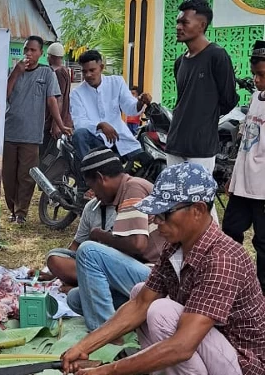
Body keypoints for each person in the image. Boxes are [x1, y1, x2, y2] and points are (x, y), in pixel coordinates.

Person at [61, 162, 265, 375]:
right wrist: (83, 346)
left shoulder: (223, 259)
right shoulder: (175, 246)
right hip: (212, 349)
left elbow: (182, 346)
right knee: (140, 292)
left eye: (164, 213)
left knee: (162, 312)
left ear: (198, 210)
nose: (157, 221)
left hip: (241, 364)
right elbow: (140, 304)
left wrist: (110, 371)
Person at [60, 147, 163, 331]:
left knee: (89, 250)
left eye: (93, 187)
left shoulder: (133, 188)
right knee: (76, 298)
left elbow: (138, 244)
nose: (94, 194)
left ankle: (105, 334)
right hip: (145, 276)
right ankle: (128, 321)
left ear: (101, 178)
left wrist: (102, 236)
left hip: (159, 277)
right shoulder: (126, 190)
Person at [3, 35, 70, 225]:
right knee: (8, 177)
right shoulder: (13, 71)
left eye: (33, 50)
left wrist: (59, 123)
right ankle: (12, 210)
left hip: (32, 135)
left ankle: (21, 213)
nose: (28, 53)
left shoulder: (47, 73)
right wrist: (15, 73)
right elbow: (3, 97)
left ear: (41, 53)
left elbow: (52, 100)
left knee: (26, 175)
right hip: (9, 133)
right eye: (26, 50)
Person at [166, 0, 238, 171]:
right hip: (175, 144)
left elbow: (229, 99)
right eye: (177, 22)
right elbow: (182, 101)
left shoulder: (217, 56)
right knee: (174, 197)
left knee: (198, 198)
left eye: (184, 22)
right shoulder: (180, 62)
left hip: (201, 148)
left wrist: (204, 119)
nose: (178, 26)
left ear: (202, 25)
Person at [223, 40, 265, 294]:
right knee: (230, 232)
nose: (257, 80)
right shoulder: (254, 98)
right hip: (243, 185)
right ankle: (232, 280)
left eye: (262, 74)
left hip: (262, 191)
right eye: (255, 74)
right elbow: (245, 144)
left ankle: (261, 291)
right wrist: (233, 179)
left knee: (262, 242)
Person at [70, 50, 151, 161]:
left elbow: (129, 107)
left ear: (101, 67)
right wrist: (100, 125)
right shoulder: (77, 93)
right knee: (79, 134)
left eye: (92, 70)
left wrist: (140, 102)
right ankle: (89, 173)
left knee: (149, 165)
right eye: (85, 72)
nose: (88, 75)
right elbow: (79, 122)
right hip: (96, 142)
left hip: (121, 138)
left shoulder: (116, 82)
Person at [34, 198, 117, 294]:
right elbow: (76, 246)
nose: (91, 190)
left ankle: (93, 288)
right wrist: (54, 274)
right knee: (54, 258)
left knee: (74, 298)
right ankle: (88, 285)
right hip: (94, 266)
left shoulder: (130, 206)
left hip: (118, 268)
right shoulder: (91, 206)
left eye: (95, 184)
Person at [40, 42, 73, 157]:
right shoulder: (64, 70)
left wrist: (56, 124)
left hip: (55, 121)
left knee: (48, 154)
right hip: (61, 119)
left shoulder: (57, 72)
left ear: (51, 57)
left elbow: (59, 98)